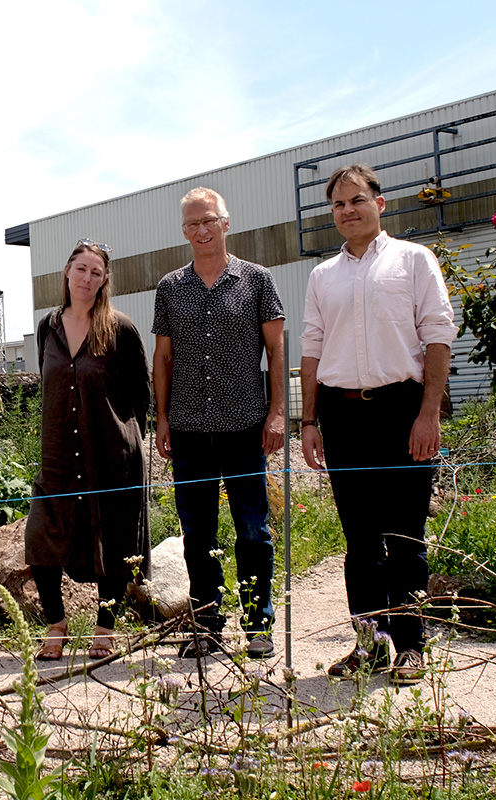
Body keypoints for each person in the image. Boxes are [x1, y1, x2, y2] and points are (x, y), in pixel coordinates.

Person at [300, 164, 456, 685]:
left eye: (357, 200)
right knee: (361, 540)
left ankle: (412, 645)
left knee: (406, 534)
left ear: (380, 203)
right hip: (343, 416)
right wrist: (310, 421)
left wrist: (428, 413)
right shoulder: (323, 277)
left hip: (403, 410)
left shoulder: (414, 261)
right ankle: (370, 644)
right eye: (339, 204)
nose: (348, 210)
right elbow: (313, 351)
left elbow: (437, 336)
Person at [153, 187, 286, 660]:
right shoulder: (170, 287)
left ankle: (258, 625)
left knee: (252, 529)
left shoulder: (256, 281)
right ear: (184, 231)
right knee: (198, 533)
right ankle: (207, 622)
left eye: (208, 220)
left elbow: (276, 351)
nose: (201, 230)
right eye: (192, 223)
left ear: (226, 222)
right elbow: (163, 358)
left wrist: (276, 412)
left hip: (245, 426)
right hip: (188, 430)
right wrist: (162, 418)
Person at [25, 239, 151, 662]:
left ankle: (105, 627)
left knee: (113, 540)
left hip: (111, 453)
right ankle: (56, 625)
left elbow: (140, 394)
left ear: (104, 280)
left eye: (96, 272)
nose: (87, 278)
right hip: (59, 452)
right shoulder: (48, 327)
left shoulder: (120, 329)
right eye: (81, 269)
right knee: (41, 539)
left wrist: (129, 441)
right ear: (67, 271)